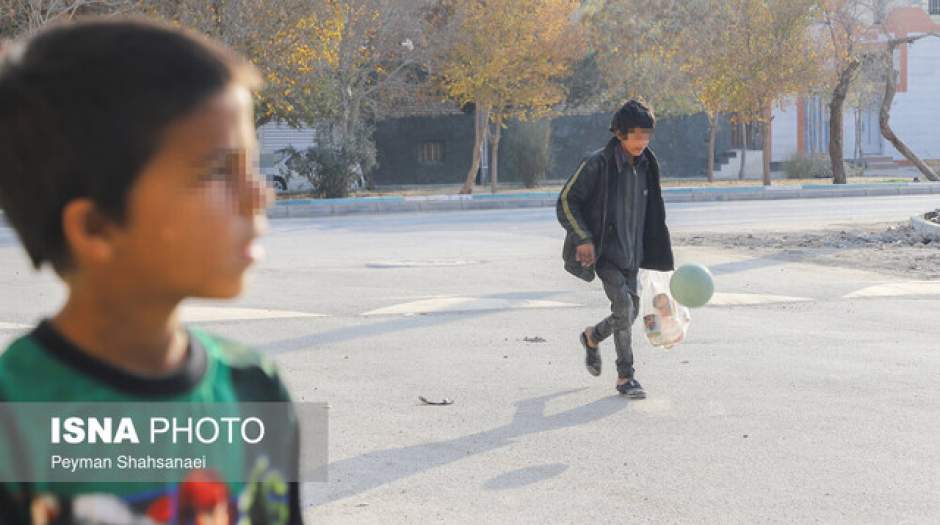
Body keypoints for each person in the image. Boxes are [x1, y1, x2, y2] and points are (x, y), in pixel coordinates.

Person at [0, 18, 302, 524]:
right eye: (215, 172)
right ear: (95, 227)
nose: (260, 195)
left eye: (251, 166)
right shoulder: (18, 413)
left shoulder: (254, 389)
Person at [557, 99, 675, 399]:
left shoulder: (649, 164)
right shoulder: (597, 164)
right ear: (620, 133)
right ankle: (626, 377)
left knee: (629, 313)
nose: (642, 141)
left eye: (647, 135)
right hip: (605, 253)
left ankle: (592, 337)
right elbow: (566, 201)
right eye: (636, 135)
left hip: (633, 254)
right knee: (623, 308)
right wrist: (583, 238)